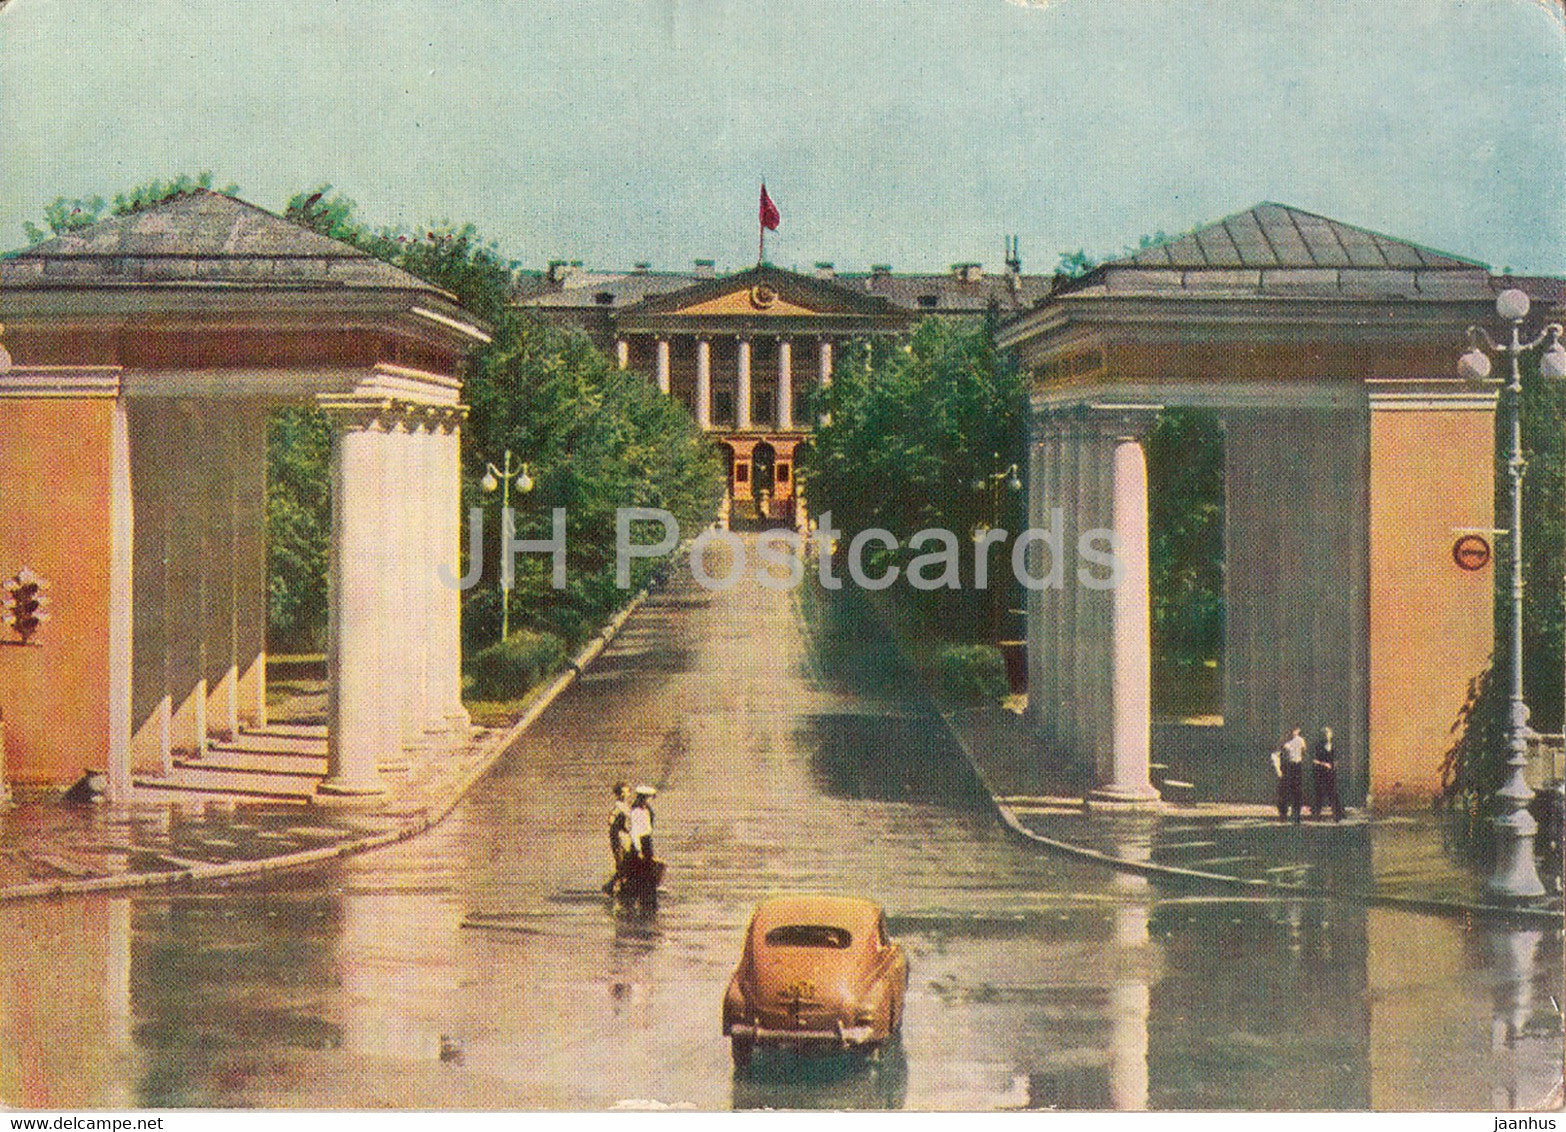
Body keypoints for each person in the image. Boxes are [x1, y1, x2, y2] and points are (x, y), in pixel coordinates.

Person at [602, 781, 632, 894]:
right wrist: (614, 823)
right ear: (617, 794)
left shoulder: (625, 806)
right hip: (619, 837)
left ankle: (620, 887)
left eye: (626, 792)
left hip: (625, 837)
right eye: (621, 793)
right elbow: (611, 817)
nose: (624, 795)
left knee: (626, 863)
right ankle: (611, 887)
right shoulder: (619, 806)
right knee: (621, 864)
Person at [1311, 727, 1343, 822]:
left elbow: (1337, 758)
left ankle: (1337, 815)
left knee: (1333, 793)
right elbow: (1314, 760)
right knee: (1319, 794)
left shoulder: (1334, 746)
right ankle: (1316, 815)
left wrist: (1334, 766)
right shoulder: (1318, 746)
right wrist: (1324, 764)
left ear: (1331, 735)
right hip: (1320, 773)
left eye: (1328, 733)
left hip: (1331, 773)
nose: (1326, 735)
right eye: (1324, 733)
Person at [1278, 727, 1307, 823]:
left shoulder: (1300, 740)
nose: (1293, 732)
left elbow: (1304, 751)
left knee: (1297, 791)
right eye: (1292, 730)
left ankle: (1296, 814)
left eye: (1295, 730)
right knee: (1286, 790)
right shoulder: (1285, 741)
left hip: (1297, 765)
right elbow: (1281, 753)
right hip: (1288, 766)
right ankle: (1284, 814)